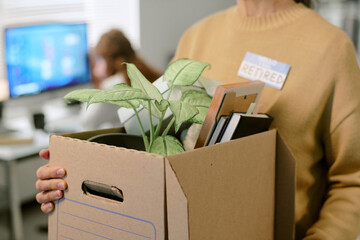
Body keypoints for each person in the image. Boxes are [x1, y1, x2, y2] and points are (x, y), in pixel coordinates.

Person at [36, 1, 360, 239]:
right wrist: (73, 179)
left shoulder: (330, 49)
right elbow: (158, 157)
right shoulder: (197, 36)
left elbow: (353, 180)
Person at [81, 28, 161, 130]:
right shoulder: (144, 75)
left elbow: (86, 122)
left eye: (99, 59)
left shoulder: (113, 86)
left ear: (107, 60)